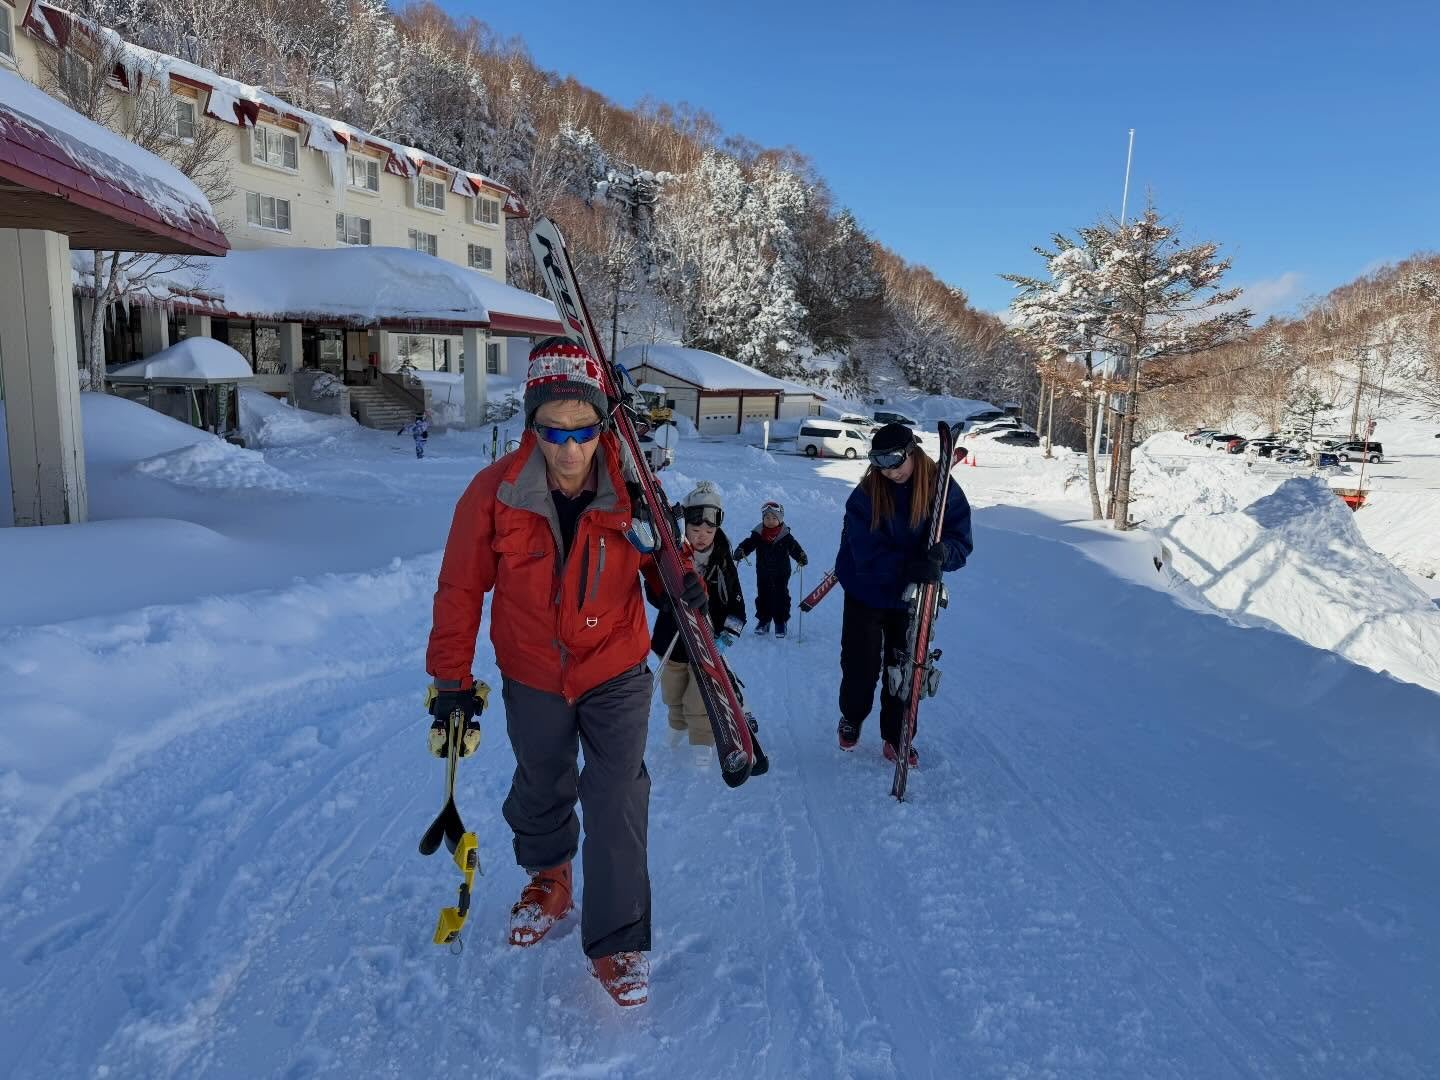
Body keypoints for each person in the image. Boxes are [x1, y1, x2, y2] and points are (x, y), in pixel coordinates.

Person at [424, 336, 707, 1008]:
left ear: (601, 425)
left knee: (615, 794)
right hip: (532, 670)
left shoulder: (635, 490)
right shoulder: (493, 494)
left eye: (583, 429)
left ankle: (617, 940)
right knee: (543, 781)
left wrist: (681, 583)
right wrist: (450, 683)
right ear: (532, 424)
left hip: (613, 668)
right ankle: (550, 880)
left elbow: (668, 564)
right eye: (553, 429)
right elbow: (460, 589)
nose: (569, 447)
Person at [833, 423, 972, 767]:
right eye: (881, 464)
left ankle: (896, 734)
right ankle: (852, 714)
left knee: (906, 667)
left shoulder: (941, 489)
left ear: (913, 452)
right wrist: (910, 565)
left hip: (912, 597)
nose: (890, 471)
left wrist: (942, 555)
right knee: (860, 666)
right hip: (867, 588)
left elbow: (960, 539)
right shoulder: (867, 493)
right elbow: (864, 550)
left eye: (895, 462)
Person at [650, 481, 746, 763]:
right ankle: (677, 726)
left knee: (700, 697)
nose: (702, 536)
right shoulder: (672, 554)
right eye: (695, 530)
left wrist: (726, 636)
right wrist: (664, 599)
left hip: (706, 643)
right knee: (673, 691)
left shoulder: (723, 561)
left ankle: (702, 742)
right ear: (684, 527)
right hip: (671, 639)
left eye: (709, 530)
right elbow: (654, 585)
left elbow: (737, 606)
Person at [735, 500, 808, 638]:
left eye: (774, 518)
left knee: (781, 596)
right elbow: (749, 544)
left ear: (780, 519)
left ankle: (781, 622)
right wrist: (741, 550)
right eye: (767, 517)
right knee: (764, 596)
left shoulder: (785, 535)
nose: (770, 520)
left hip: (782, 572)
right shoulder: (758, 534)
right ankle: (764, 621)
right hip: (763, 572)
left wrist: (800, 556)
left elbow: (794, 548)